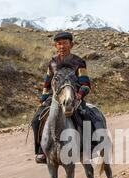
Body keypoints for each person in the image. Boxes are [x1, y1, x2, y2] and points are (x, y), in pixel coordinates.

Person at [32, 31, 102, 164]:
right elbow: (47, 84)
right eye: (59, 44)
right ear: (55, 46)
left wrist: (80, 94)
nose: (62, 46)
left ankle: (88, 148)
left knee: (86, 116)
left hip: (74, 96)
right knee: (36, 120)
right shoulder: (52, 63)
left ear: (72, 44)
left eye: (65, 43)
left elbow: (85, 84)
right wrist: (43, 99)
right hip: (54, 98)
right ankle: (41, 151)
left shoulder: (79, 62)